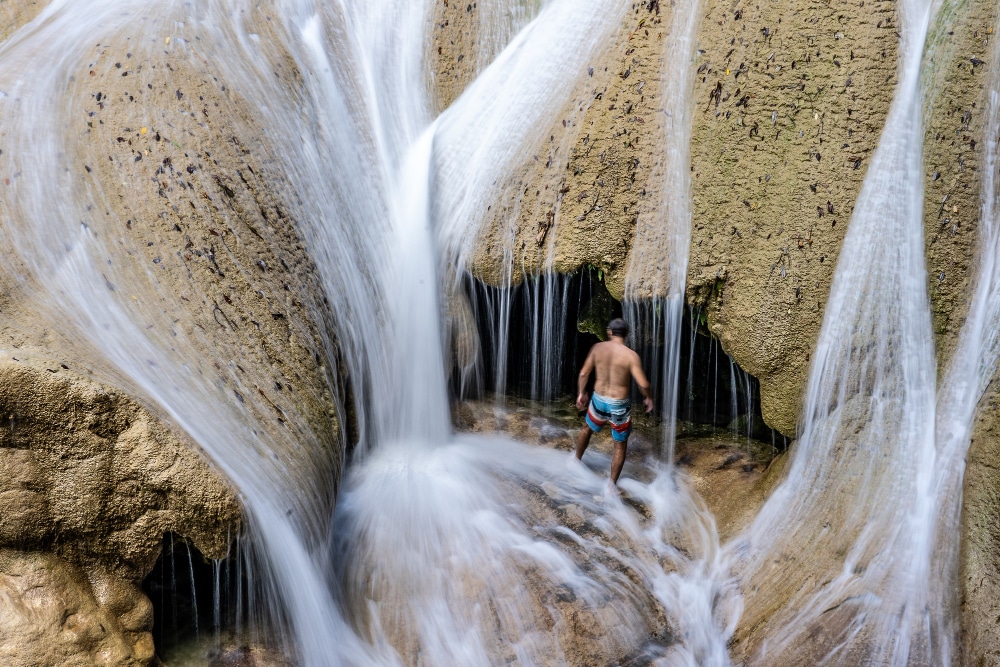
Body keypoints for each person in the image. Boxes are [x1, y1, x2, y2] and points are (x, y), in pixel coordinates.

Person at [574, 317, 653, 487]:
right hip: (619, 405)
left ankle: (575, 461)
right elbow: (643, 383)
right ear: (627, 335)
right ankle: (611, 486)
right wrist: (648, 397)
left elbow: (583, 374)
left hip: (598, 400)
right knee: (620, 445)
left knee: (587, 428)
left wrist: (581, 393)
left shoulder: (598, 348)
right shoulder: (631, 356)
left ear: (609, 332)